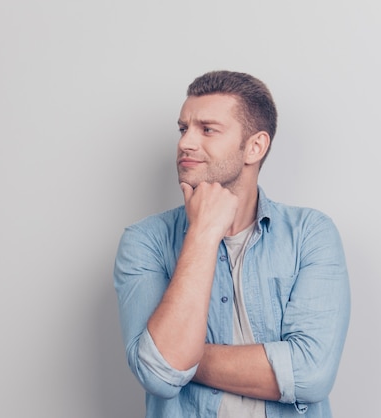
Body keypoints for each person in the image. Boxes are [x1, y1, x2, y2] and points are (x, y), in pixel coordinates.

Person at [113, 70, 350, 418]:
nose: (185, 143)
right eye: (183, 129)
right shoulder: (144, 241)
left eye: (207, 129)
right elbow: (159, 377)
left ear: (255, 146)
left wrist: (182, 354)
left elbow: (311, 373)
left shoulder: (310, 234)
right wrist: (204, 233)